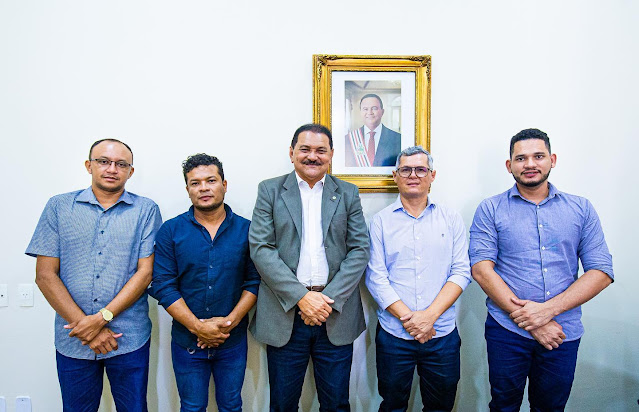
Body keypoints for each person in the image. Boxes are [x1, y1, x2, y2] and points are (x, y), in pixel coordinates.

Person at [469, 128, 614, 411]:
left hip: (562, 331)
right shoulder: (490, 209)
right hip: (506, 331)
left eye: (538, 156)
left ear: (552, 160)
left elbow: (601, 271)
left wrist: (547, 312)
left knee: (550, 407)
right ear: (509, 165)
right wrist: (534, 321)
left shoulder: (581, 208)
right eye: (521, 158)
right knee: (503, 405)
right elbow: (481, 270)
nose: (530, 164)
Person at [25, 139, 162, 411]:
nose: (112, 169)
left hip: (129, 337)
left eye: (121, 164)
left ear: (130, 171)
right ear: (89, 165)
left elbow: (145, 272)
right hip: (74, 338)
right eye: (103, 161)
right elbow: (45, 275)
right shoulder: (58, 207)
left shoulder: (146, 210)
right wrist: (86, 328)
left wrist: (101, 319)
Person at [249, 123, 370, 411]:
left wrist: (326, 300)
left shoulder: (348, 193)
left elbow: (360, 249)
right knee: (283, 404)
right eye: (305, 149)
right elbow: (261, 249)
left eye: (320, 150)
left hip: (335, 313)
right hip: (285, 314)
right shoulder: (270, 190)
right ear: (292, 152)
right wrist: (302, 298)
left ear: (331, 155)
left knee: (336, 404)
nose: (312, 156)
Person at [149, 153, 259, 412]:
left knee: (231, 406)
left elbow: (254, 281)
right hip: (187, 341)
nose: (204, 188)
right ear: (187, 189)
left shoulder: (248, 230)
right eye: (195, 183)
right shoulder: (170, 230)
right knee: (191, 407)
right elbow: (163, 285)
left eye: (211, 180)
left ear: (224, 184)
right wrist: (198, 327)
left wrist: (227, 324)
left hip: (232, 341)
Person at [365, 146, 471, 411]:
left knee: (441, 406)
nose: (413, 175)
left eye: (421, 169)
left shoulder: (451, 219)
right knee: (392, 405)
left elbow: (461, 271)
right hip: (394, 334)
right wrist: (411, 321)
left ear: (432, 175)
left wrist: (429, 317)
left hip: (441, 333)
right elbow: (376, 277)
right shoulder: (380, 222)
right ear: (395, 176)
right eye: (406, 170)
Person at [345, 93, 401, 167]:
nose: (370, 113)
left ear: (382, 112)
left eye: (374, 108)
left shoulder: (397, 138)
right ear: (361, 112)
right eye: (365, 109)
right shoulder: (348, 139)